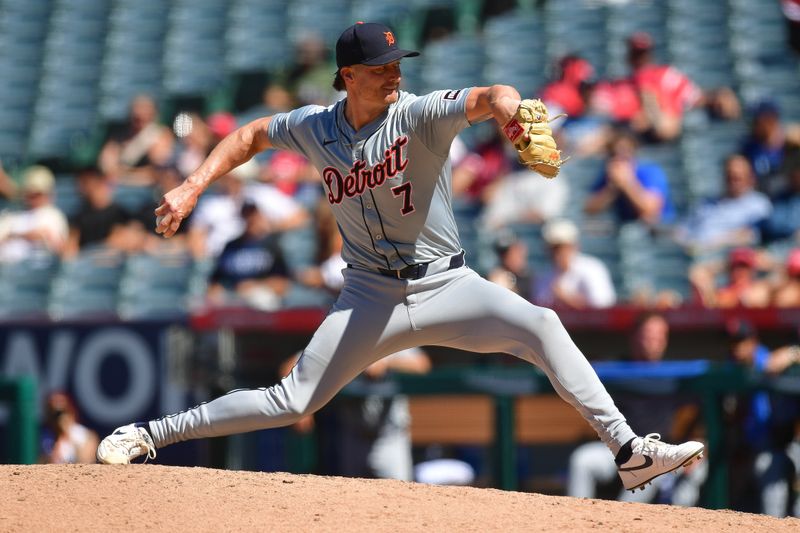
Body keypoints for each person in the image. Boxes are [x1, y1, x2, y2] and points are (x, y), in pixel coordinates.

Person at [96, 22, 704, 493]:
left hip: (447, 284)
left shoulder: (417, 114)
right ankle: (149, 434)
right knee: (293, 401)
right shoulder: (315, 126)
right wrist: (193, 184)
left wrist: (514, 114)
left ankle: (629, 453)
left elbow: (492, 93)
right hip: (369, 295)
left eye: (395, 63)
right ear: (347, 75)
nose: (393, 73)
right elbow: (251, 135)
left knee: (542, 324)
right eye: (380, 66)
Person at [567, 312, 705, 505]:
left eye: (659, 337)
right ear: (634, 337)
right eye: (648, 336)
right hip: (617, 448)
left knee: (677, 466)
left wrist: (695, 441)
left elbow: (703, 409)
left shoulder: (672, 374)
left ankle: (624, 522)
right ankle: (578, 523)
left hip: (659, 450)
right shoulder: (616, 370)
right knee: (582, 460)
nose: (653, 342)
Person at [674, 154, 772, 255]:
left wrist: (709, 245)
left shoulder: (758, 204)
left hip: (725, 259)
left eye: (737, 178)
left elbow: (751, 236)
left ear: (750, 178)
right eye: (728, 177)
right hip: (692, 254)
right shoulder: (705, 203)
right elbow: (681, 232)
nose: (732, 182)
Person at [207, 201, 291, 311]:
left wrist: (254, 286)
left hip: (262, 298)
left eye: (253, 214)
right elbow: (215, 282)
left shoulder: (272, 245)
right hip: (233, 298)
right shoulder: (231, 246)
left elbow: (283, 284)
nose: (250, 219)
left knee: (261, 298)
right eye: (246, 215)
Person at [583, 129, 674, 225]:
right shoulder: (608, 175)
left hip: (658, 228)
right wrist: (612, 188)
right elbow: (590, 209)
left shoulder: (650, 171)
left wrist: (627, 184)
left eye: (624, 155)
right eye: (613, 154)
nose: (619, 160)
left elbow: (651, 211)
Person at [532, 218, 616, 309]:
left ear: (575, 246)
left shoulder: (592, 268)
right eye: (553, 248)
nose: (557, 253)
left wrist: (568, 299)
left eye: (562, 247)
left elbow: (603, 307)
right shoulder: (543, 275)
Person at [0, 165, 68, 262]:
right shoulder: (12, 214)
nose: (33, 198)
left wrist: (15, 236)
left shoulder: (53, 215)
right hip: (6, 268)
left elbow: (58, 246)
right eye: (30, 193)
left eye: (37, 194)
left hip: (38, 268)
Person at [689, 247, 772, 308]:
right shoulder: (723, 291)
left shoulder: (760, 288)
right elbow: (697, 273)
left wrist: (769, 264)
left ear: (751, 269)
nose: (740, 271)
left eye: (744, 267)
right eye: (735, 267)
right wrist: (722, 266)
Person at [40, 392, 99, 464]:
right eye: (54, 415)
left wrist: (68, 435)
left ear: (71, 411)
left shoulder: (84, 435)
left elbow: (86, 461)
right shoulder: (44, 438)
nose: (59, 419)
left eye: (63, 413)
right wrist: (59, 438)